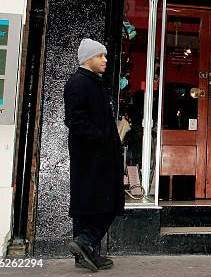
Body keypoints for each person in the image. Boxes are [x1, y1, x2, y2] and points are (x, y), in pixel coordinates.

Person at [64, 38, 125, 271]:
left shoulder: (92, 82)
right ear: (88, 58)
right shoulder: (79, 83)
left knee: (88, 204)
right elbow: (75, 119)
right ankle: (85, 241)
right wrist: (101, 140)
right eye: (101, 56)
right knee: (107, 202)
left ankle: (85, 255)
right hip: (93, 156)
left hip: (94, 154)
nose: (105, 60)